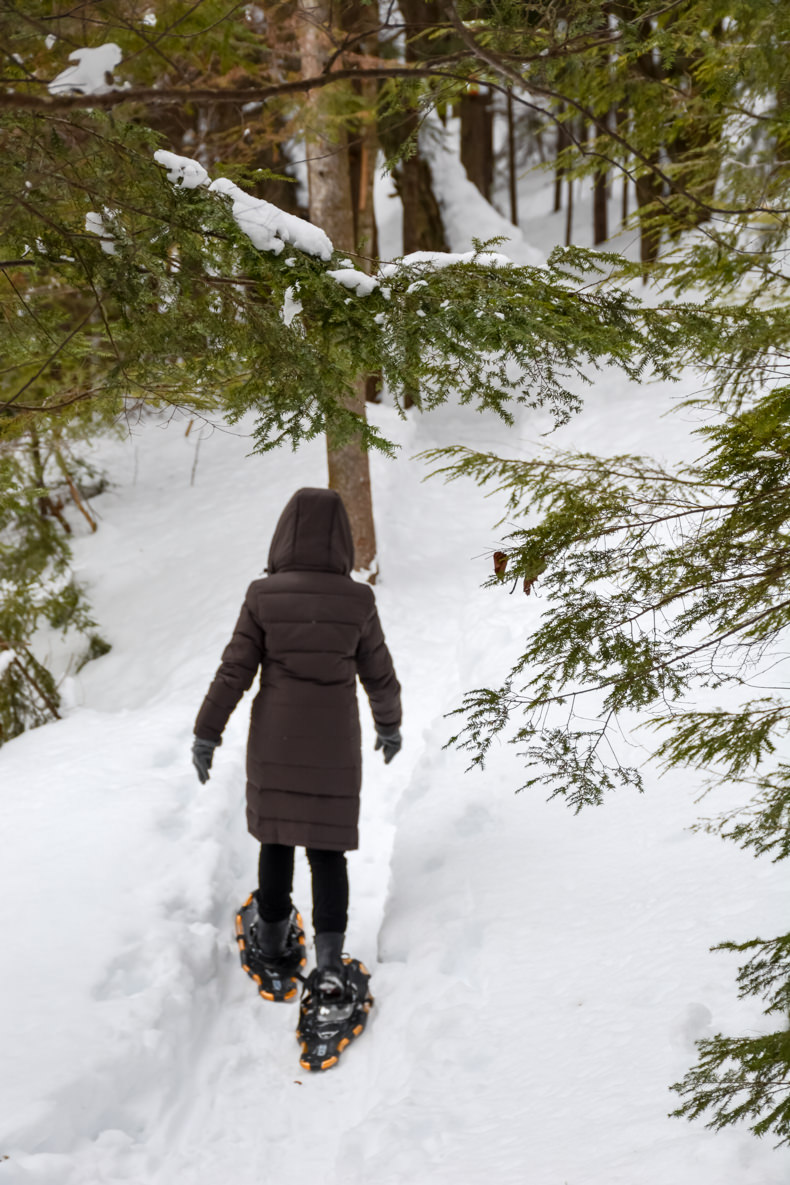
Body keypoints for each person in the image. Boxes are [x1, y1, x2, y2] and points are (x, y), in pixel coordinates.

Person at [191, 487, 401, 1066]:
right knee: (327, 851)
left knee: (276, 837)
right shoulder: (355, 602)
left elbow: (234, 670)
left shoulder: (263, 595)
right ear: (340, 541)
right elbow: (380, 676)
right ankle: (330, 966)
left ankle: (276, 937)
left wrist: (207, 732)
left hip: (276, 742)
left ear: (283, 537)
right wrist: (390, 727)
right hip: (334, 746)